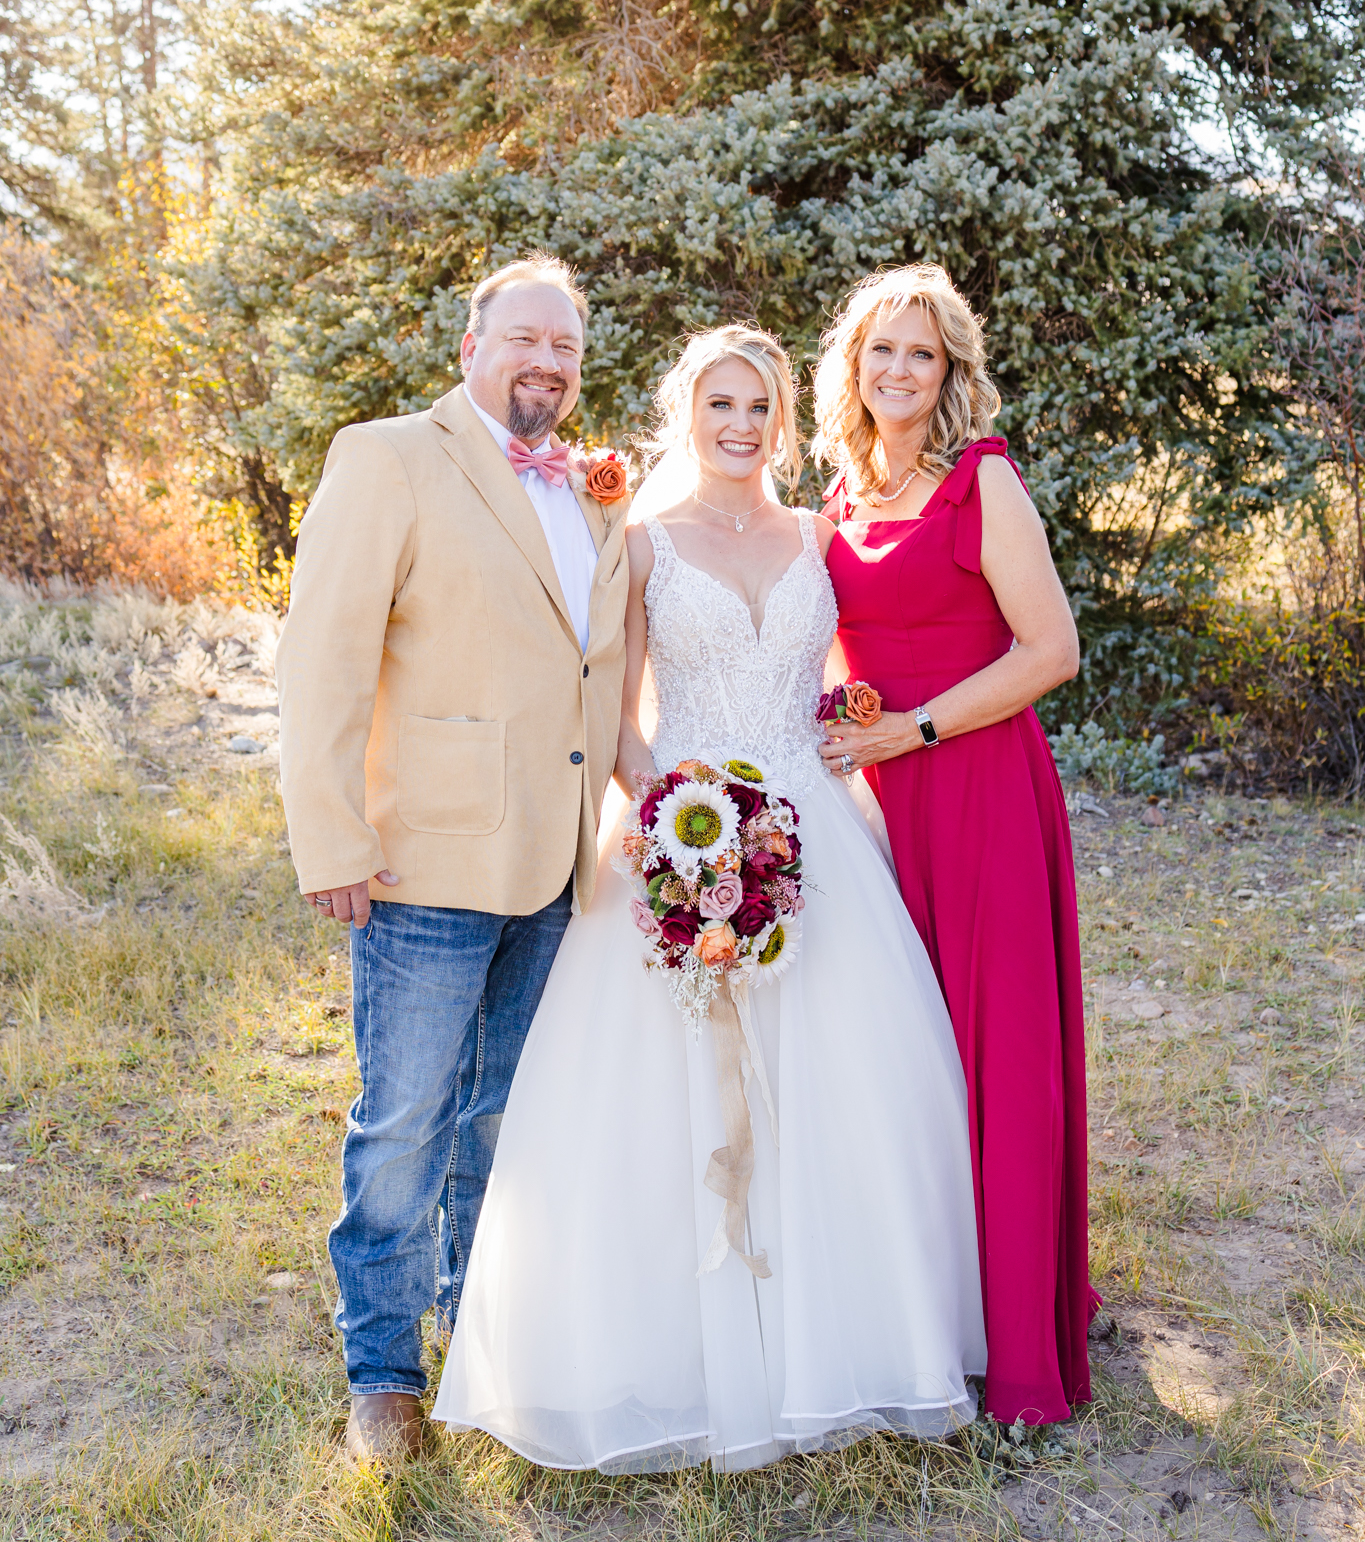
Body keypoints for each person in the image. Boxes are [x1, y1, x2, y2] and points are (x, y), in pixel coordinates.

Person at [432, 324, 985, 1473]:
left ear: (784, 421)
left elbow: (851, 675)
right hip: (683, 827)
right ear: (687, 413)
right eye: (720, 404)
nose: (740, 425)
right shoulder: (640, 543)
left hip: (814, 833)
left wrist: (856, 731)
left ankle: (840, 1337)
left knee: (843, 1088)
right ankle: (675, 1354)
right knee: (656, 1103)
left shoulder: (820, 533)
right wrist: (673, 812)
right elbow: (616, 710)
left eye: (760, 406)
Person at [275, 252, 632, 1465]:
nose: (547, 360)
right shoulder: (387, 457)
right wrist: (331, 833)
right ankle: (381, 1372)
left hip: (556, 859)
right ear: (472, 347)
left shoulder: (590, 489)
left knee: (504, 1120)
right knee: (405, 1123)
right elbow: (322, 656)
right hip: (422, 860)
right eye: (524, 337)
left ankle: (483, 1339)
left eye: (566, 346)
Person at [813, 261, 1094, 1427]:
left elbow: (1052, 649)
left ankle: (1021, 1348)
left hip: (978, 790)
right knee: (908, 1059)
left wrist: (919, 726)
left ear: (949, 372)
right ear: (853, 365)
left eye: (921, 353)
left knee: (998, 1059)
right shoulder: (838, 496)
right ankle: (932, 1319)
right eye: (881, 349)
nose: (899, 370)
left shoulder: (983, 482)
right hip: (879, 804)